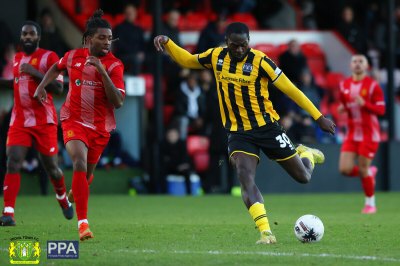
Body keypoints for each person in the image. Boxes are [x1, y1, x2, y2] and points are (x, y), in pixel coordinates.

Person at [154, 22, 336, 244]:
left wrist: (319, 117)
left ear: (249, 42)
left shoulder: (261, 62)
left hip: (267, 127)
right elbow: (187, 60)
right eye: (234, 45)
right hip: (239, 132)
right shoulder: (216, 57)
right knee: (245, 176)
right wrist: (169, 43)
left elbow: (291, 89)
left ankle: (305, 153)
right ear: (226, 42)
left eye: (243, 45)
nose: (239, 50)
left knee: (303, 177)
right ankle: (266, 232)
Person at [34, 10, 125, 241]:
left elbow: (118, 101)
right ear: (88, 39)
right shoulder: (73, 56)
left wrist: (102, 71)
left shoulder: (114, 65)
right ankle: (83, 224)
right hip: (73, 119)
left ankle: (80, 187)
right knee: (78, 161)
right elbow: (56, 67)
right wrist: (42, 86)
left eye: (109, 38)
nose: (107, 42)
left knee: (86, 175)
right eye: (101, 37)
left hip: (100, 128)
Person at [0, 21, 73, 226]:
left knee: (52, 167)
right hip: (20, 120)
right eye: (24, 35)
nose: (28, 37)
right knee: (13, 161)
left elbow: (59, 88)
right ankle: (8, 213)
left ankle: (62, 198)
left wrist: (34, 73)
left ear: (38, 37)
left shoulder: (49, 57)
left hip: (44, 121)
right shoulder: (16, 58)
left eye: (31, 34)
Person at [338, 54, 385, 214]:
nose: (357, 64)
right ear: (350, 66)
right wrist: (342, 108)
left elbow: (381, 109)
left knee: (363, 168)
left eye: (361, 61)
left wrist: (365, 104)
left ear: (366, 66)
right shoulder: (344, 84)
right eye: (354, 61)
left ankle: (370, 204)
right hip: (352, 133)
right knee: (345, 169)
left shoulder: (373, 86)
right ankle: (369, 173)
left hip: (369, 133)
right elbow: (345, 103)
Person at [112, 3, 145, 75]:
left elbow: (142, 44)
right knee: (135, 60)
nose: (130, 14)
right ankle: (134, 82)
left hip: (137, 55)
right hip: (123, 56)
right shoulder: (119, 28)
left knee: (154, 58)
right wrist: (136, 53)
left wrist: (142, 52)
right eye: (128, 13)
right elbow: (120, 46)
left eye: (132, 13)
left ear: (135, 14)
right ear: (125, 14)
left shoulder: (139, 29)